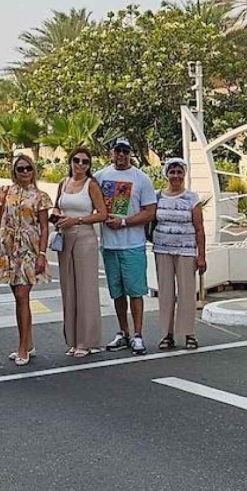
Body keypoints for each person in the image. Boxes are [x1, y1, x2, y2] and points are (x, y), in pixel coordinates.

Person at [96, 137, 158, 355]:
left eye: (125, 151)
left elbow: (150, 211)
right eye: (117, 151)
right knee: (117, 293)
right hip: (109, 246)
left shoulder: (141, 179)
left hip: (133, 244)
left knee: (136, 292)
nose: (121, 155)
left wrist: (124, 222)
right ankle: (123, 332)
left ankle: (138, 334)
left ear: (130, 153)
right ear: (111, 153)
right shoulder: (100, 176)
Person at [0, 154, 51, 366]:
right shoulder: (5, 192)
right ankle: (29, 342)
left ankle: (22, 347)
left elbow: (44, 227)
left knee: (23, 295)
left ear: (33, 170)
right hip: (8, 248)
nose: (24, 172)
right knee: (18, 296)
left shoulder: (40, 196)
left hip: (29, 249)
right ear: (13, 172)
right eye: (20, 169)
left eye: (28, 168)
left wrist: (42, 254)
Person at [52, 147, 108, 357]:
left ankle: (87, 340)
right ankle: (73, 339)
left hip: (84, 236)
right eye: (77, 160)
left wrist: (78, 219)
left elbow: (102, 214)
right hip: (65, 236)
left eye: (85, 162)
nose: (80, 165)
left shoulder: (91, 185)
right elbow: (57, 206)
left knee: (86, 289)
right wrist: (57, 215)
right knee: (68, 288)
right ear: (70, 162)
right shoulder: (63, 183)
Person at [152, 158, 207, 351]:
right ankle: (166, 334)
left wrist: (201, 256)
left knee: (186, 293)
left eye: (179, 172)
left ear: (184, 174)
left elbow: (199, 228)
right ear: (166, 174)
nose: (176, 176)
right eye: (172, 172)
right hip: (162, 249)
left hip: (186, 250)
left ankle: (188, 333)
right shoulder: (157, 196)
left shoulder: (192, 198)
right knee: (165, 293)